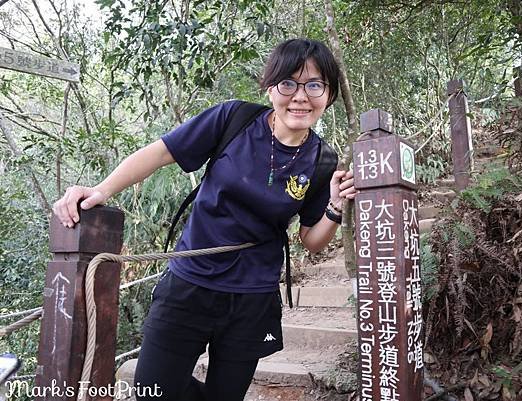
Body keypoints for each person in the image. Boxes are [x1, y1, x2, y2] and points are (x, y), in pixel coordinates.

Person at [52, 38, 357, 400]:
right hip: (189, 284)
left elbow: (311, 239)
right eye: (288, 82)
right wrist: (103, 190)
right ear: (270, 86)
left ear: (330, 94)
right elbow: (162, 152)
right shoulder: (234, 119)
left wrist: (335, 208)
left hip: (252, 297)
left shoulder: (321, 160)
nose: (300, 96)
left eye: (314, 85)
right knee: (153, 390)